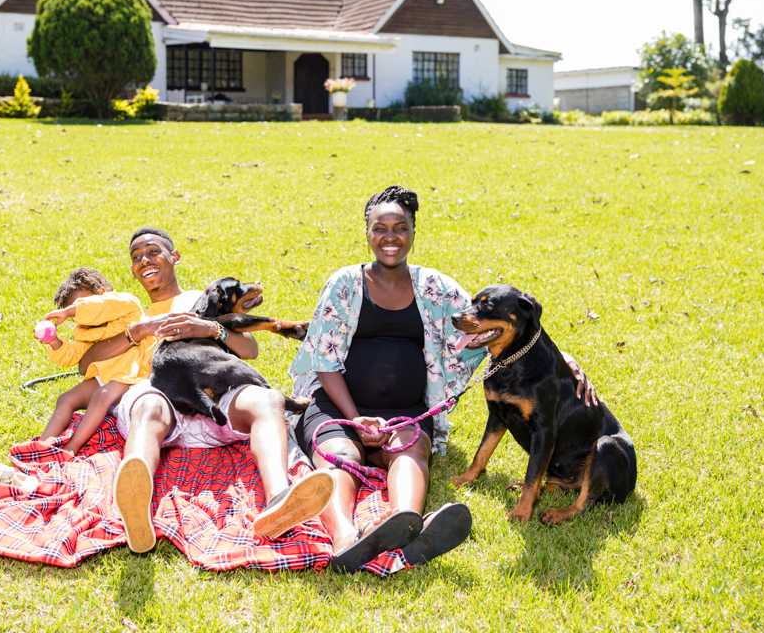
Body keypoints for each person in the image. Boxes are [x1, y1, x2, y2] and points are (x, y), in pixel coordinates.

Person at [289, 185, 598, 573]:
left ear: (413, 232)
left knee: (410, 454)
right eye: (379, 227)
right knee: (342, 458)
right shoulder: (344, 285)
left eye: (400, 227)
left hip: (405, 412)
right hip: (338, 406)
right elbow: (325, 361)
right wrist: (356, 418)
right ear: (366, 233)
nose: (390, 237)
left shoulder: (435, 288)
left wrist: (560, 358)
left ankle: (402, 526)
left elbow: (497, 327)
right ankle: (345, 539)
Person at [77, 227, 336, 554]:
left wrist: (212, 329)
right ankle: (136, 507)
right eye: (136, 257)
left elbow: (249, 349)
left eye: (153, 251)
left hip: (215, 397)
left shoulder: (204, 299)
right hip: (162, 399)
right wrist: (136, 332)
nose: (145, 260)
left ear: (175, 256)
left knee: (267, 399)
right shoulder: (130, 315)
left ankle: (279, 501)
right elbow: (86, 365)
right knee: (148, 407)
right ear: (132, 270)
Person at [34, 267, 158, 455]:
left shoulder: (126, 304)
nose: (78, 317)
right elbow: (74, 355)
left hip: (134, 373)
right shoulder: (85, 330)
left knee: (101, 396)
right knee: (66, 398)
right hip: (106, 376)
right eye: (75, 315)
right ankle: (42, 447)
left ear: (102, 294)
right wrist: (55, 342)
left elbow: (100, 307)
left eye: (79, 309)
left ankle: (71, 448)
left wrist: (70, 311)